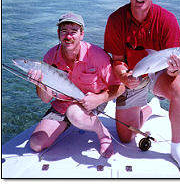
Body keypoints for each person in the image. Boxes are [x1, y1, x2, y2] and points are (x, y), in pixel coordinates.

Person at [104, 0, 180, 176]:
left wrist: (175, 69)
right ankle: (149, 108)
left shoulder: (167, 19)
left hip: (158, 73)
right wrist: (124, 77)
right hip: (133, 74)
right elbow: (117, 60)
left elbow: (175, 67)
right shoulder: (116, 19)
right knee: (126, 136)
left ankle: (177, 149)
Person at [28, 11, 125, 158]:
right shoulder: (50, 56)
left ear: (82, 34)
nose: (68, 36)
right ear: (58, 33)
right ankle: (69, 123)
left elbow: (120, 86)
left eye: (74, 32)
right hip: (62, 104)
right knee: (36, 144)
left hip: (92, 102)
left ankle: (102, 132)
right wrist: (38, 83)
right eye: (64, 31)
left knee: (75, 113)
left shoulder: (97, 55)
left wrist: (99, 99)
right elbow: (45, 99)